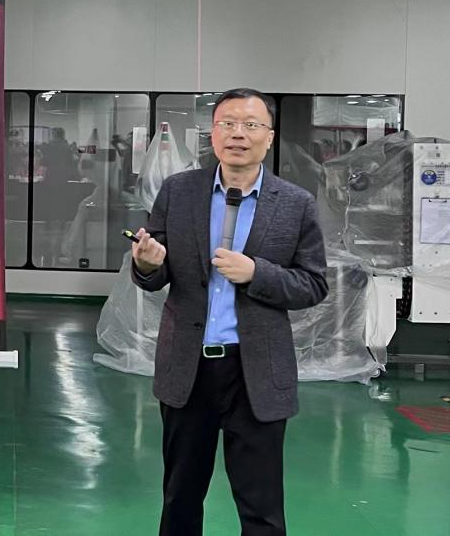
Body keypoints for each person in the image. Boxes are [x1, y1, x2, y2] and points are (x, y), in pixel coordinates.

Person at [131, 88, 328, 536]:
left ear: (269, 137)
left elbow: (313, 284)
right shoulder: (179, 192)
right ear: (213, 133)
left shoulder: (295, 204)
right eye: (227, 123)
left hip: (255, 371)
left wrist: (257, 273)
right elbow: (154, 271)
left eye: (251, 125)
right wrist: (147, 265)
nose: (238, 133)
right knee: (180, 499)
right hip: (188, 368)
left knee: (262, 510)